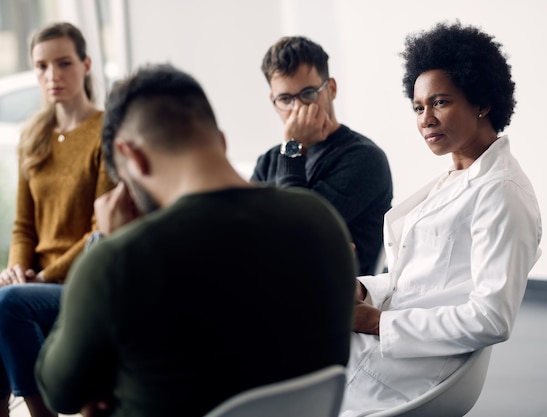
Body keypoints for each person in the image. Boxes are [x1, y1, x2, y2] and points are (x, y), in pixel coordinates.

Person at [34, 63, 357, 417]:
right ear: (219, 140)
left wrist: (109, 246)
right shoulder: (322, 221)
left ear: (132, 157)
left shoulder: (120, 262)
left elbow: (60, 393)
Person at [339, 21, 543, 416]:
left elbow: (491, 318)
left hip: (411, 368)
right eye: (418, 106)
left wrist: (377, 323)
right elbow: (422, 282)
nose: (425, 119)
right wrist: (363, 292)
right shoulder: (458, 177)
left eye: (440, 102)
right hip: (391, 344)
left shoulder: (502, 192)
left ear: (482, 101)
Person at [0, 22, 115, 417]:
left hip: (78, 282)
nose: (52, 76)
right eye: (42, 66)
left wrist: (41, 279)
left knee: (9, 303)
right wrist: (16, 268)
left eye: (63, 63)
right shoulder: (33, 135)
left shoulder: (106, 132)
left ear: (85, 65)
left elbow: (101, 231)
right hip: (33, 283)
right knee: (5, 297)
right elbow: (23, 226)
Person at [251, 36, 393, 276]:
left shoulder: (364, 158)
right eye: (285, 99)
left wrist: (293, 146)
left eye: (307, 94)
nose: (297, 109)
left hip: (332, 304)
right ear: (274, 102)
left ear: (331, 89)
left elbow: (299, 233)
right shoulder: (269, 160)